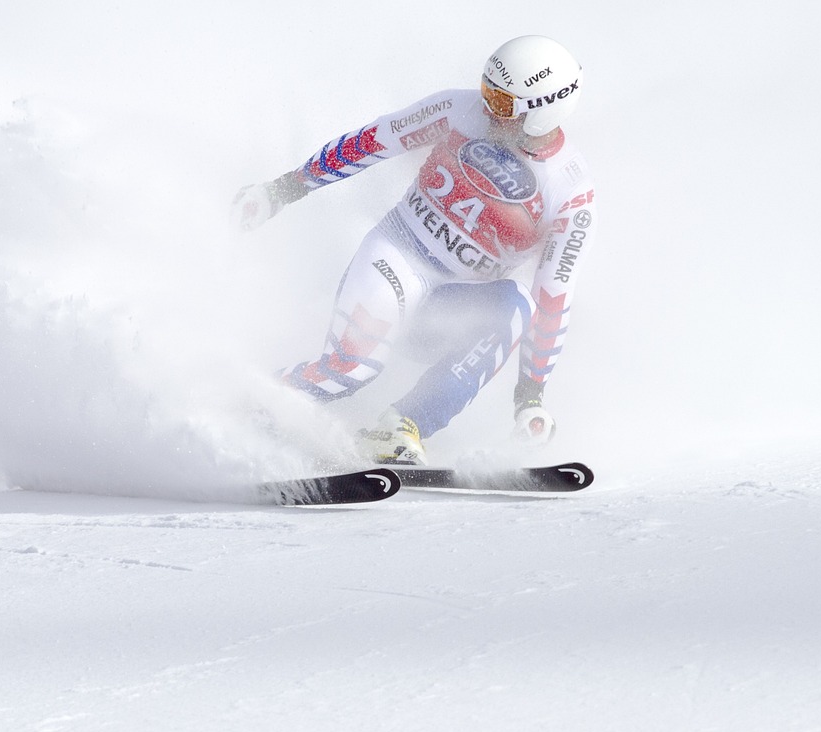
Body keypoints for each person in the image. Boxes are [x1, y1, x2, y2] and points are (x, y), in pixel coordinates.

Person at [232, 35, 598, 465]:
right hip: (397, 258)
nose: (486, 107)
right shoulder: (457, 110)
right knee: (351, 371)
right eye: (485, 91)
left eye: (500, 102)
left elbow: (553, 297)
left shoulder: (570, 191)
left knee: (517, 305)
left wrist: (530, 396)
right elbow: (372, 142)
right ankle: (247, 405)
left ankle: (401, 427)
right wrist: (282, 190)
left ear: (541, 111)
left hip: (449, 311)